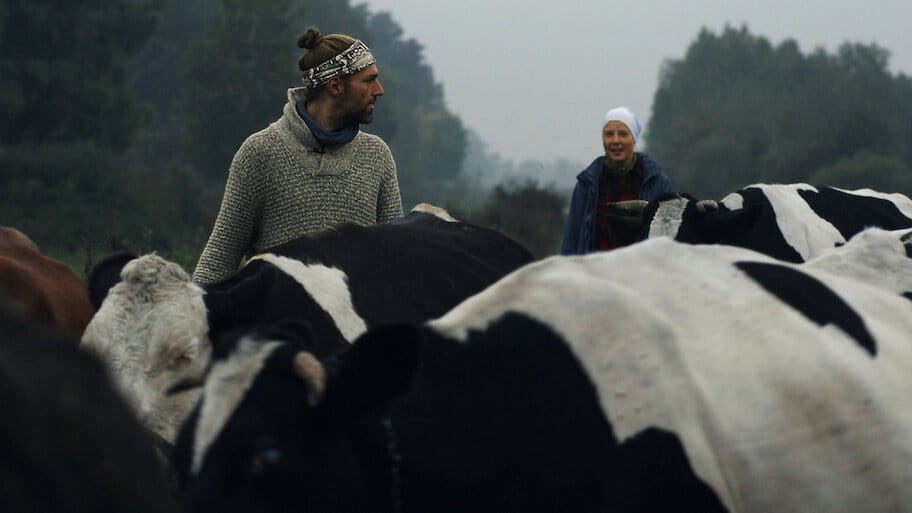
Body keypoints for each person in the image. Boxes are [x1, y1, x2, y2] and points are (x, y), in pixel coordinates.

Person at [192, 27, 403, 284]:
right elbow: (220, 256)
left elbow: (396, 257)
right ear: (335, 86)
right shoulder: (260, 152)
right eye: (369, 80)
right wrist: (192, 318)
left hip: (357, 323)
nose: (379, 90)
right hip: (275, 321)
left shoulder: (377, 155)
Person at [561, 106, 674, 255]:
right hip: (596, 272)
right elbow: (572, 239)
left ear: (634, 139)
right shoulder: (587, 184)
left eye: (623, 134)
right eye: (609, 134)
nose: (615, 141)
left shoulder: (658, 181)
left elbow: (671, 237)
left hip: (642, 272)